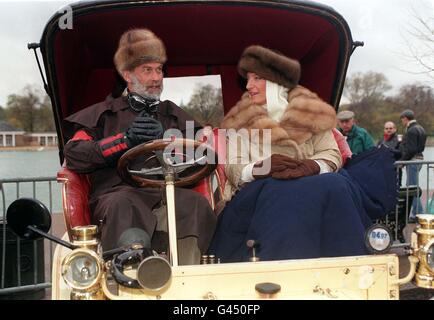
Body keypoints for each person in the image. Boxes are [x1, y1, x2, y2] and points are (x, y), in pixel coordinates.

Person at [208, 45, 397, 263]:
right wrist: (264, 167)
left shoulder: (310, 115)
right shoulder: (241, 122)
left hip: (311, 187)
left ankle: (350, 266)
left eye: (257, 78)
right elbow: (234, 168)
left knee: (336, 184)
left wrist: (313, 166)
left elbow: (331, 153)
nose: (249, 85)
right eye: (248, 79)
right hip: (256, 196)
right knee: (280, 190)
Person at [62, 28, 216, 264]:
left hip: (168, 193)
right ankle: (129, 279)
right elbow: (74, 155)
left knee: (195, 203)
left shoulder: (174, 115)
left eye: (159, 70)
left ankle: (188, 277)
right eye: (147, 70)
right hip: (117, 196)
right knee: (124, 204)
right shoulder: (102, 115)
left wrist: (167, 141)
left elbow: (204, 157)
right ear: (127, 75)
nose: (156, 78)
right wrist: (125, 141)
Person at [399, 109, 427, 218]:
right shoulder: (421, 129)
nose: (402, 122)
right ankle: (416, 212)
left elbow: (411, 149)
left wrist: (402, 161)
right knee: (413, 186)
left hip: (412, 160)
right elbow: (421, 147)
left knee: (411, 187)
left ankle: (419, 213)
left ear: (405, 118)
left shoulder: (411, 130)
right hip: (420, 159)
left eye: (402, 120)